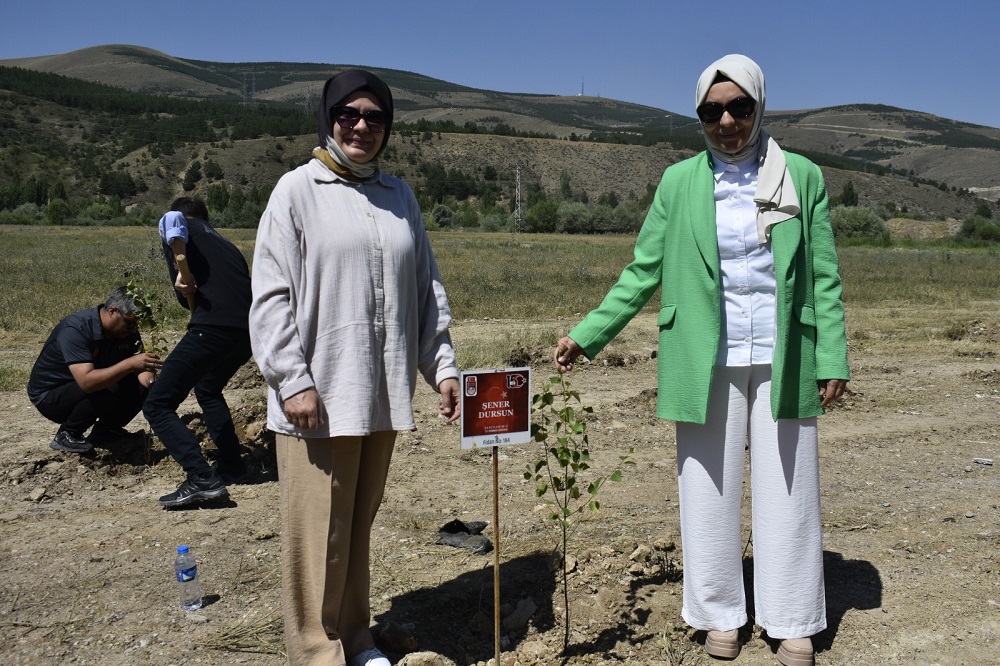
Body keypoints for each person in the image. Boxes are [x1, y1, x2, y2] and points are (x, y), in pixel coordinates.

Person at [552, 54, 849, 666]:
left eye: (739, 107)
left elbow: (824, 275)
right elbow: (643, 271)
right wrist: (589, 334)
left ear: (760, 106)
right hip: (702, 355)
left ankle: (792, 618)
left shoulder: (803, 176)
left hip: (782, 353)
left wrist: (833, 355)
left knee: (790, 490)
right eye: (712, 111)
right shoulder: (678, 182)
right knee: (706, 487)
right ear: (700, 117)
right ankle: (718, 614)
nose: (727, 121)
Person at [249, 69, 461, 666]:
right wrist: (292, 380)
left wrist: (440, 366)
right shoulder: (296, 191)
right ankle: (317, 652)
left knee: (355, 527)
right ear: (328, 118)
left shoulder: (399, 198)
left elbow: (425, 290)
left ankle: (356, 636)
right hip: (315, 397)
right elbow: (270, 296)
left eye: (375, 117)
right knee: (317, 534)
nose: (362, 125)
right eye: (349, 114)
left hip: (379, 394)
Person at [144, 196, 254, 508]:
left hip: (213, 327)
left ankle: (201, 478)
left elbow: (172, 228)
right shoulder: (224, 243)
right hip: (247, 331)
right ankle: (232, 465)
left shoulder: (178, 225)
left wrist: (182, 276)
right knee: (207, 388)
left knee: (158, 404)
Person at [28, 287, 161, 453]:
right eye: (130, 323)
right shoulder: (77, 329)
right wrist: (129, 364)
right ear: (113, 311)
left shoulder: (127, 331)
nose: (134, 329)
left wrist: (152, 385)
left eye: (137, 324)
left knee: (137, 386)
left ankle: (107, 431)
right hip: (50, 395)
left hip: (89, 386)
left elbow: (141, 368)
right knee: (109, 386)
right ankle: (68, 434)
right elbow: (87, 383)